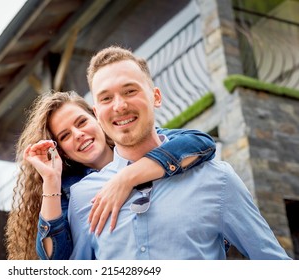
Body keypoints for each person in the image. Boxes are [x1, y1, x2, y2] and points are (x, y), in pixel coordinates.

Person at [68, 46, 291, 259]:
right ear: (97, 113)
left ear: (156, 97)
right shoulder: (83, 197)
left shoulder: (217, 178)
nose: (119, 106)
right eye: (106, 98)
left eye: (130, 91)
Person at [5, 90, 218, 260]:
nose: (78, 135)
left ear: (97, 118)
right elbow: (55, 259)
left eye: (81, 122)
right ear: (60, 150)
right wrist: (51, 181)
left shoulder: (137, 143)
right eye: (65, 135)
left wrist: (127, 178)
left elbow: (202, 143)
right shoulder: (72, 193)